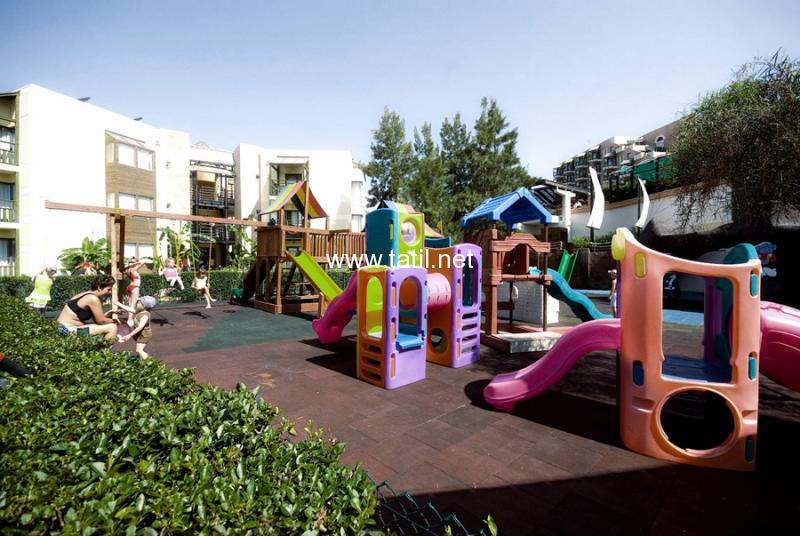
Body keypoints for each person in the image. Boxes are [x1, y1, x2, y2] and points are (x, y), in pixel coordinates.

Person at [55, 274, 120, 341]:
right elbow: (101, 321)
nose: (110, 292)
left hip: (63, 328)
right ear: (99, 287)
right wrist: (115, 321)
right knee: (112, 327)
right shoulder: (92, 299)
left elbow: (98, 320)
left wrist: (109, 314)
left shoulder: (86, 294)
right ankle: (105, 348)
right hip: (67, 331)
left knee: (100, 328)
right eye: (108, 289)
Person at [124, 257, 146, 327]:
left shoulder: (127, 270)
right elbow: (143, 262)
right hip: (135, 287)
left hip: (130, 287)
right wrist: (136, 263)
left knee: (131, 304)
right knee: (132, 305)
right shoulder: (133, 269)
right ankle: (130, 319)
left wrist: (130, 264)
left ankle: (133, 318)